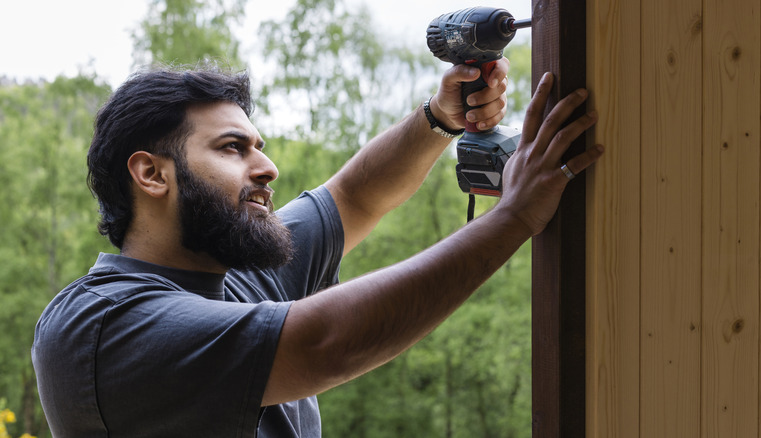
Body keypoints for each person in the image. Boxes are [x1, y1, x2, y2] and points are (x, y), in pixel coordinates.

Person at [31, 59, 603, 437]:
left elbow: (355, 195)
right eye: (233, 149)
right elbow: (325, 343)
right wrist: (516, 215)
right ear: (151, 174)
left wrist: (438, 118)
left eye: (260, 145)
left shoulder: (240, 279)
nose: (267, 167)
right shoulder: (98, 324)